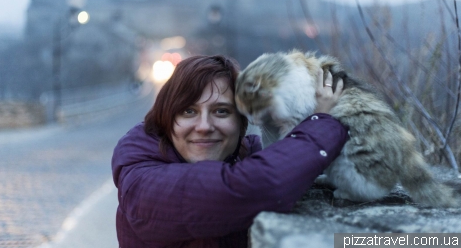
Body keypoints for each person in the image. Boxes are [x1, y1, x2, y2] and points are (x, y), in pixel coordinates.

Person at [112, 55, 347, 248]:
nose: (204, 126)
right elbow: (250, 186)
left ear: (241, 121)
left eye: (221, 111)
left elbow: (284, 160)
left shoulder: (247, 152)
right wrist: (323, 124)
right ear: (167, 118)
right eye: (188, 112)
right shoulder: (140, 177)